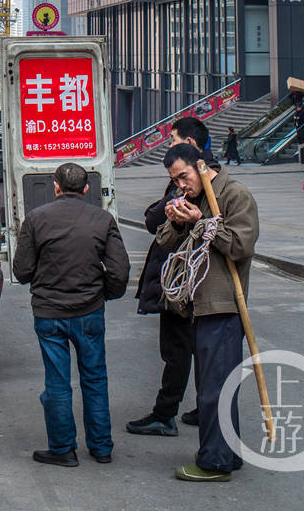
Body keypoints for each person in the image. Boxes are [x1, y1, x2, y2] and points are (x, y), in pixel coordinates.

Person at [12, 161, 130, 467]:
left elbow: (22, 271)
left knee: (58, 381)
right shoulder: (102, 219)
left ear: (55, 186)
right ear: (86, 188)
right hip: (89, 310)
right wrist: (104, 293)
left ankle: (63, 449)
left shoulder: (36, 219)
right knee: (94, 377)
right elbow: (119, 270)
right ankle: (101, 447)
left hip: (49, 313)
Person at [156, 143, 259, 483]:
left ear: (200, 167)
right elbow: (165, 244)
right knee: (215, 385)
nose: (181, 185)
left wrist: (202, 222)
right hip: (197, 304)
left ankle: (214, 462)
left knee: (214, 388)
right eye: (175, 180)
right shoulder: (191, 197)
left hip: (223, 304)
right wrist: (174, 221)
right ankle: (226, 453)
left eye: (184, 176)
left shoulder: (233, 194)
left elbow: (241, 246)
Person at [127, 116, 215, 438]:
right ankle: (205, 408)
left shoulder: (199, 180)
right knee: (195, 345)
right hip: (191, 276)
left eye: (174, 139)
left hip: (185, 279)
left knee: (178, 348)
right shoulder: (197, 176)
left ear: (190, 145)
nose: (169, 145)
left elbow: (154, 218)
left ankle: (165, 414)